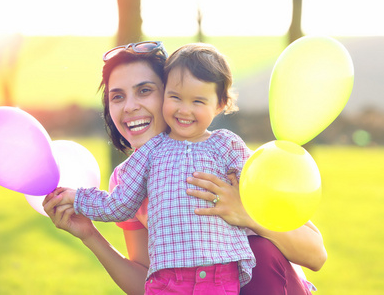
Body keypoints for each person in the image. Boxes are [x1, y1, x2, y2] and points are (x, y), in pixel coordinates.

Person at [43, 41, 327, 295]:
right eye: (117, 96)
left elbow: (316, 255)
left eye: (144, 91)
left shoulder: (225, 156)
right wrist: (90, 235)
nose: (129, 106)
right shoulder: (125, 180)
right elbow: (151, 283)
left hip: (274, 285)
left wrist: (247, 214)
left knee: (259, 251)